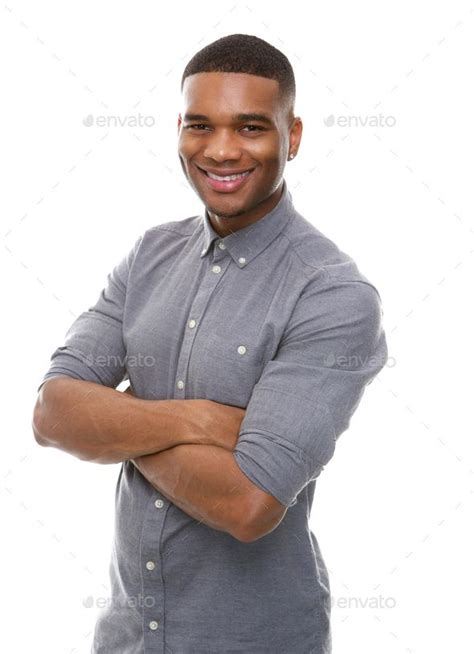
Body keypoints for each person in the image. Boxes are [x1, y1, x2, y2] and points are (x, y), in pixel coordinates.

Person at [33, 33, 388, 654]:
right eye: (200, 126)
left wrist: (118, 420)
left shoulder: (332, 295)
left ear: (293, 135)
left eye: (251, 128)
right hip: (125, 641)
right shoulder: (148, 255)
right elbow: (52, 414)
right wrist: (197, 419)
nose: (221, 150)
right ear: (179, 130)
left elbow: (248, 506)